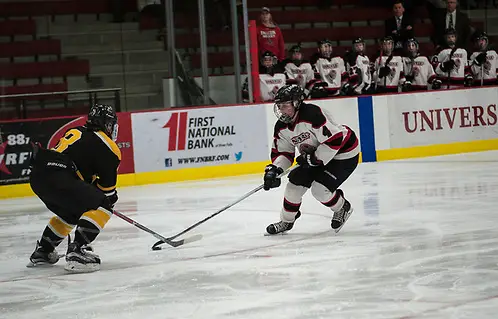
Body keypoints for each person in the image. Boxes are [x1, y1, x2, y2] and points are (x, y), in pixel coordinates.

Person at [27, 104, 121, 273]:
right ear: (107, 125)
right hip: (60, 176)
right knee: (103, 205)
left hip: (38, 176)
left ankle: (44, 251)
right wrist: (104, 199)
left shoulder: (77, 131)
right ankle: (78, 251)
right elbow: (108, 192)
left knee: (70, 213)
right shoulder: (108, 146)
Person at [263, 84, 359, 235]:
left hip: (343, 153)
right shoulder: (282, 127)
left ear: (296, 103)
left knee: (320, 190)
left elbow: (335, 139)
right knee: (293, 187)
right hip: (315, 155)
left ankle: (342, 207)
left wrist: (313, 159)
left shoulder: (313, 114)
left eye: (285, 106)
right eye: (279, 106)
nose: (281, 110)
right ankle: (287, 221)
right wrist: (275, 169)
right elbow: (284, 153)